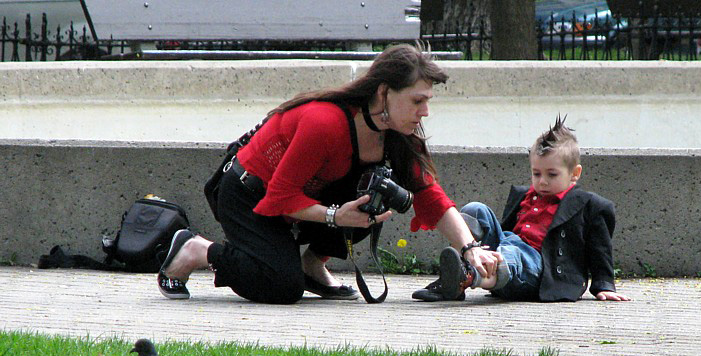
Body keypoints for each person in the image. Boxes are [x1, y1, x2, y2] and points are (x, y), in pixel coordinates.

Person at [156, 43, 497, 304]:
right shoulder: (326, 124)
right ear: (384, 93)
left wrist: (470, 250)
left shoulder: (397, 134)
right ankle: (196, 249)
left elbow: (429, 195)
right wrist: (335, 216)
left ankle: (311, 266)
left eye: (428, 102)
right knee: (281, 286)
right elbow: (281, 197)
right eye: (417, 101)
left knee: (372, 200)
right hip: (248, 194)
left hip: (298, 201)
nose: (425, 112)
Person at [413, 115, 629, 303]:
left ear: (575, 173)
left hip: (540, 268)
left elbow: (600, 249)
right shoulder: (524, 195)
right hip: (509, 249)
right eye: (537, 173)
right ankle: (460, 271)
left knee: (512, 252)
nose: (542, 181)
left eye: (551, 175)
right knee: (476, 210)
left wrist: (604, 285)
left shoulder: (589, 205)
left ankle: (469, 276)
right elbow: (505, 232)